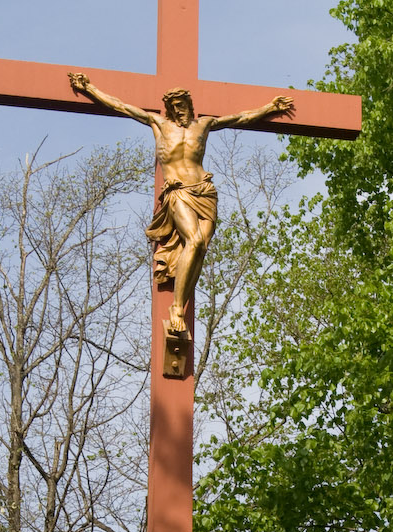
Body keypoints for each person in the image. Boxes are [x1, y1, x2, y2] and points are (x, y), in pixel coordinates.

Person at [68, 73, 293, 341]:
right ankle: (177, 309)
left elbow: (241, 118)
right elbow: (120, 105)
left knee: (202, 249)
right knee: (195, 241)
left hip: (206, 192)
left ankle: (181, 305)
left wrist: (270, 107)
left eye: (181, 103)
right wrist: (90, 88)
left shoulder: (205, 125)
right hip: (178, 192)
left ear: (189, 103)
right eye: (172, 105)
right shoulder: (159, 125)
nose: (177, 109)